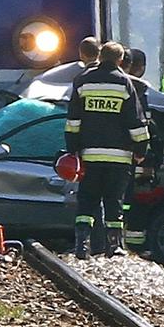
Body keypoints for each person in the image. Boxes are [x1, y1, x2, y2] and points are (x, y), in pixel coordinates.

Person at [66, 42, 149, 259]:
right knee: (114, 200)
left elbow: (73, 120)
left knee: (87, 200)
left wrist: (72, 149)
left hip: (89, 155)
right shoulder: (124, 83)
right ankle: (114, 246)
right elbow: (136, 121)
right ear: (120, 61)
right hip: (119, 157)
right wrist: (141, 149)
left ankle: (81, 246)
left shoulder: (82, 81)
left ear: (100, 56)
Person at [121, 48, 161, 254]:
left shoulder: (124, 87)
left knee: (125, 202)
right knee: (136, 204)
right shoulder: (139, 91)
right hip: (137, 157)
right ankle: (135, 247)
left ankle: (125, 245)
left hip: (127, 158)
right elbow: (145, 128)